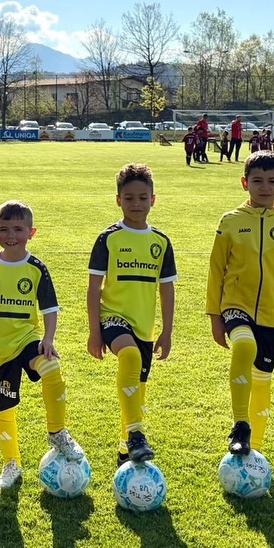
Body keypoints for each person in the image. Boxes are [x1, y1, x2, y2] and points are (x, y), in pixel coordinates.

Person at [0, 200, 86, 489]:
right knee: (4, 409)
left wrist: (48, 339)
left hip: (27, 340)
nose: (11, 235)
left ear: (32, 232)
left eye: (18, 229)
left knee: (51, 368)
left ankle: (57, 431)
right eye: (4, 229)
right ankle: (11, 463)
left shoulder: (37, 268)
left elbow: (49, 308)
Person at [206, 151, 274, 458]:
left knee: (262, 381)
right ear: (244, 182)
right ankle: (240, 425)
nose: (264, 187)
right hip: (235, 306)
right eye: (257, 181)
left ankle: (254, 452)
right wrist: (214, 315)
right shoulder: (230, 222)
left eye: (272, 181)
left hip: (272, 316)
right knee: (244, 347)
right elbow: (215, 270)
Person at [87, 164, 177, 466]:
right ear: (118, 200)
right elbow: (93, 289)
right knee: (130, 356)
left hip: (145, 327)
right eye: (129, 199)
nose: (136, 204)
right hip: (113, 317)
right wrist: (94, 331)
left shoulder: (161, 242)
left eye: (142, 198)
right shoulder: (108, 238)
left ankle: (126, 445)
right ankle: (137, 433)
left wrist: (166, 331)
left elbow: (166, 290)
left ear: (153, 199)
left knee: (137, 391)